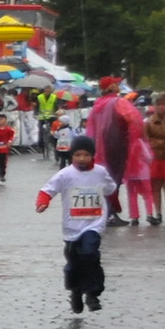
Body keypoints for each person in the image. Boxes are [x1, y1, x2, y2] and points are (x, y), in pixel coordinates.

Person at [37, 135, 117, 314]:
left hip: (93, 224)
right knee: (73, 264)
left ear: (93, 155)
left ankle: (93, 293)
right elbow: (48, 188)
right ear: (72, 155)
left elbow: (111, 189)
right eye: (78, 155)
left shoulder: (100, 172)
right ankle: (75, 292)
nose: (82, 159)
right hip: (72, 228)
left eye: (86, 155)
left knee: (90, 254)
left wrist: (114, 203)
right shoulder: (66, 174)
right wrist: (43, 202)